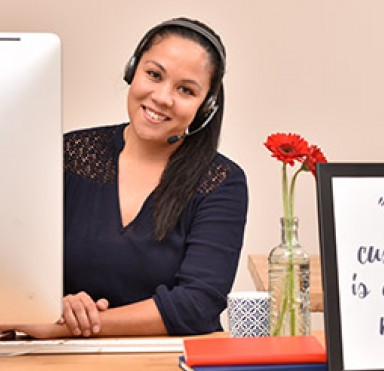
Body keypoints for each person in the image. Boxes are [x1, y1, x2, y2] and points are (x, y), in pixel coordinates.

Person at [3, 17, 248, 338]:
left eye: (185, 89)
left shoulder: (221, 181)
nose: (162, 97)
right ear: (132, 71)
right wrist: (45, 311)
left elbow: (197, 304)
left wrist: (64, 326)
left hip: (169, 366)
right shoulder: (67, 155)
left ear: (206, 106)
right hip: (59, 363)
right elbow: (14, 274)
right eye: (154, 75)